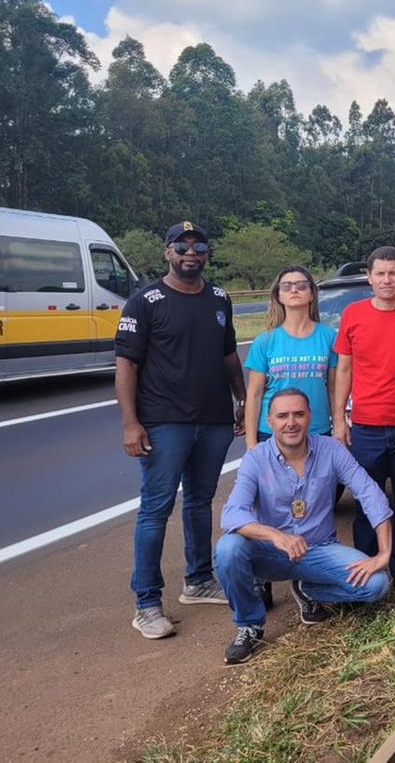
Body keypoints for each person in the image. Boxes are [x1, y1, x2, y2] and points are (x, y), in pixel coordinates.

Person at [115, 221, 246, 639]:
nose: (191, 252)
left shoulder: (219, 299)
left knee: (200, 502)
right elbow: (126, 365)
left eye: (199, 245)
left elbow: (229, 357)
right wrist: (130, 423)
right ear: (167, 252)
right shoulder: (145, 302)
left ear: (208, 253)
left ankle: (199, 581)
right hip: (164, 421)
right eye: (181, 246)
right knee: (156, 509)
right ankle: (147, 602)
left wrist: (243, 399)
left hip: (213, 419)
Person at [214, 389, 392, 664]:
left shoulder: (331, 449)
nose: (291, 422)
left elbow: (369, 493)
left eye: (298, 414)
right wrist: (276, 535)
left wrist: (383, 553)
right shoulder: (256, 458)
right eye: (282, 416)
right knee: (228, 548)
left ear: (310, 417)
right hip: (270, 551)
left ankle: (308, 589)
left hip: (319, 549)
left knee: (377, 584)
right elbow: (232, 515)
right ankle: (249, 624)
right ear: (269, 421)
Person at [332, 246, 395, 605]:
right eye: (380, 273)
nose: (387, 280)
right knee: (367, 502)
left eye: (393, 273)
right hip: (366, 427)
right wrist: (339, 420)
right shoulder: (353, 314)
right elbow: (344, 369)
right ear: (369, 277)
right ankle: (364, 572)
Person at [244, 266, 336, 447]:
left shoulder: (329, 337)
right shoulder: (265, 340)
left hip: (317, 430)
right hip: (272, 433)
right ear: (278, 295)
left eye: (301, 286)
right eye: (287, 286)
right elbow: (254, 394)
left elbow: (333, 390)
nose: (294, 290)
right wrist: (250, 442)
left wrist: (339, 424)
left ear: (312, 294)